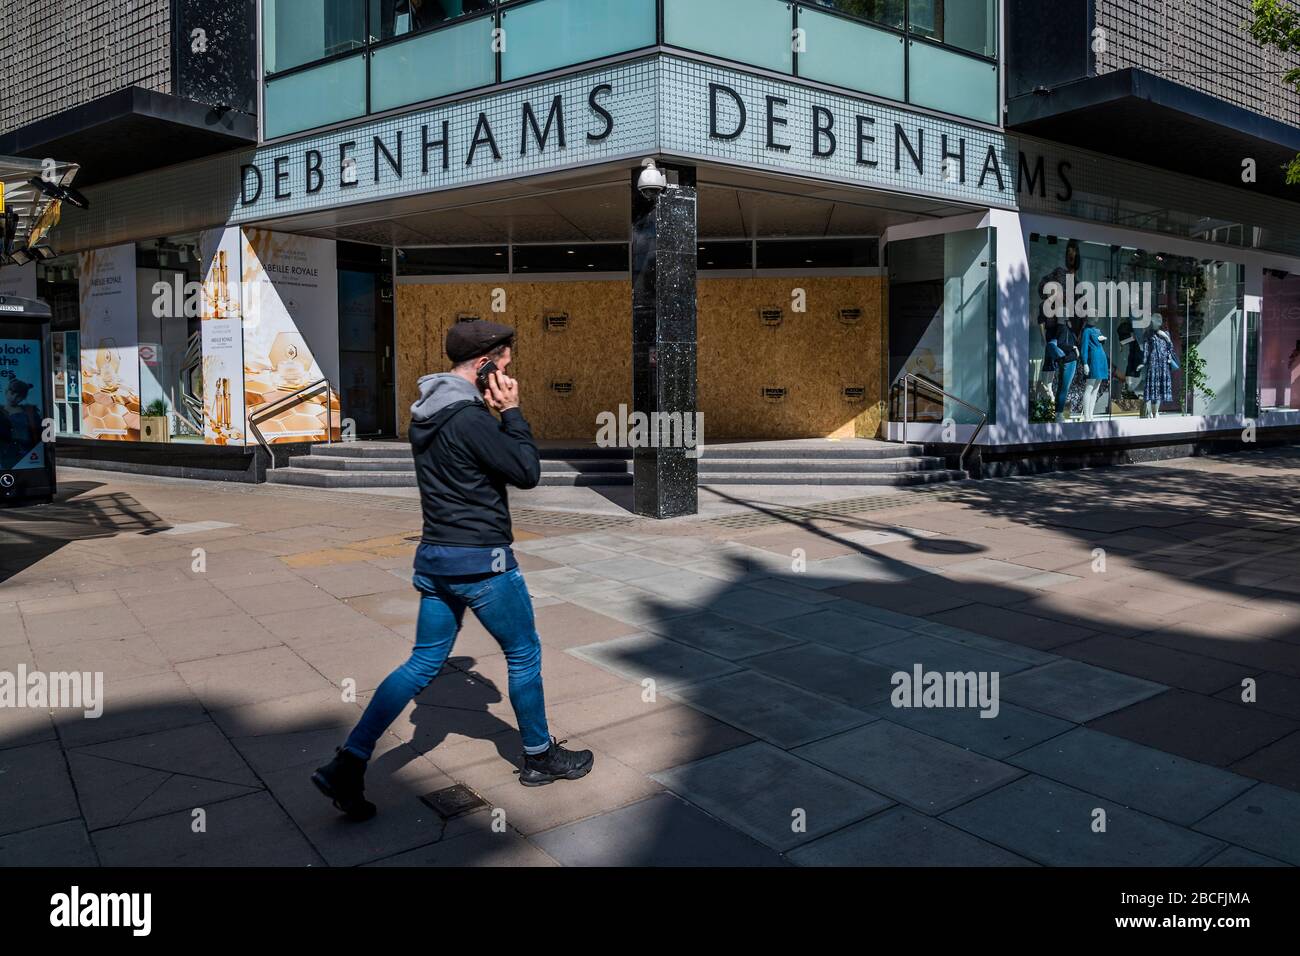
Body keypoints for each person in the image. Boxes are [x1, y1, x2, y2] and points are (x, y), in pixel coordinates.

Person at [312, 320, 593, 821]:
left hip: (436, 559)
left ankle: (348, 763)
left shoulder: (427, 413)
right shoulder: (472, 418)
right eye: (504, 363)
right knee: (524, 652)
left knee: (420, 665)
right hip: (483, 562)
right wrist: (512, 412)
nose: (508, 373)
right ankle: (538, 757)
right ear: (485, 363)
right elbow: (527, 472)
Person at [0, 378, 42, 470]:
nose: (14, 398)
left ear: (23, 398)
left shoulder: (30, 412)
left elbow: (37, 433)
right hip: (4, 454)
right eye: (12, 393)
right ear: (7, 392)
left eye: (19, 396)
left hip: (24, 453)